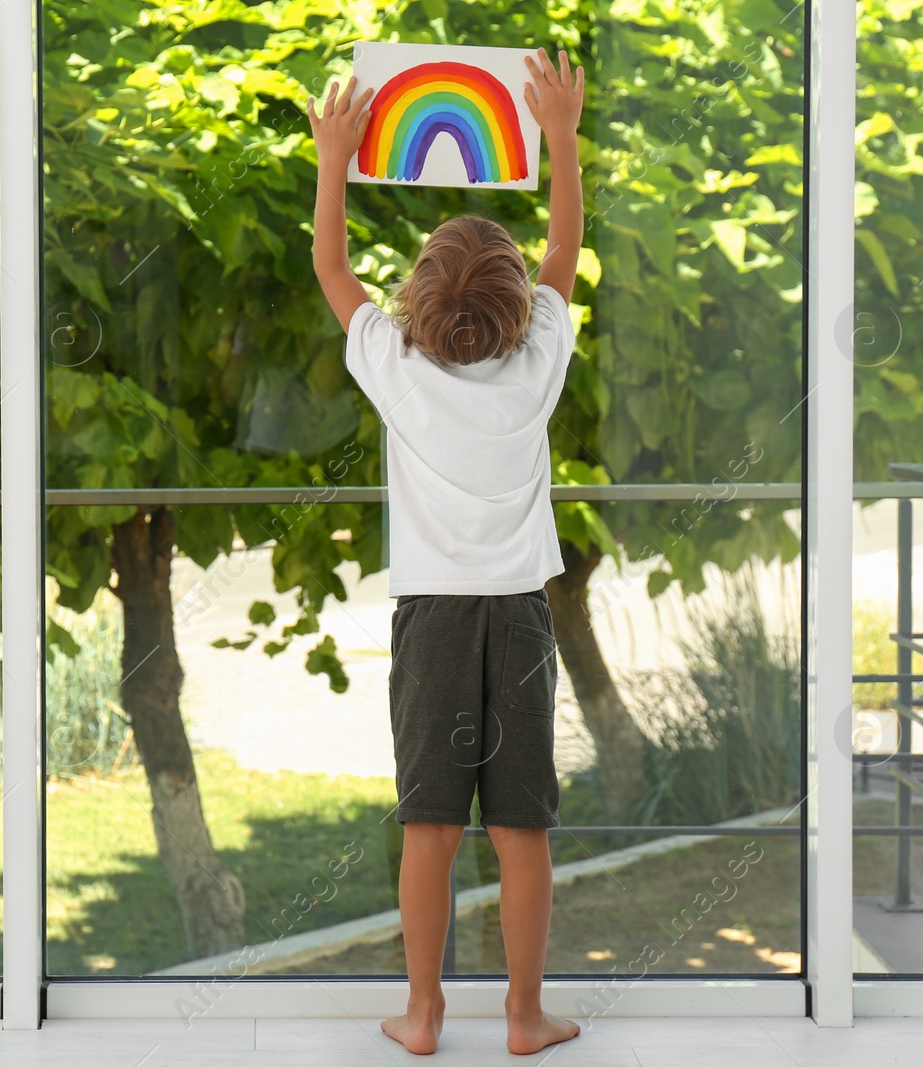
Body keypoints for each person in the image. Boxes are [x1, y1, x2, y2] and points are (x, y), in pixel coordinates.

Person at [306, 47, 586, 1057]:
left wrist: (335, 154)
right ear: (516, 303)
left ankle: (421, 1012)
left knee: (429, 822)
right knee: (522, 828)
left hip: (429, 616)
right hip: (515, 612)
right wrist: (557, 134)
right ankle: (522, 1013)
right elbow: (563, 251)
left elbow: (332, 270)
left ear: (420, 294)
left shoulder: (395, 364)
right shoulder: (538, 362)